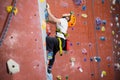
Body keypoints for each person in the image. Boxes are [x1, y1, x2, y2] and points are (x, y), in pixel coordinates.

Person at [46, 3, 74, 73]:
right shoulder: (63, 22)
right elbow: (51, 20)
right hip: (61, 43)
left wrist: (48, 9)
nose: (66, 14)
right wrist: (47, 19)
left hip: (59, 41)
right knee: (53, 53)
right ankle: (49, 67)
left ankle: (49, 56)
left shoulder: (64, 21)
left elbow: (54, 20)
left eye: (68, 15)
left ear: (67, 18)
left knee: (48, 39)